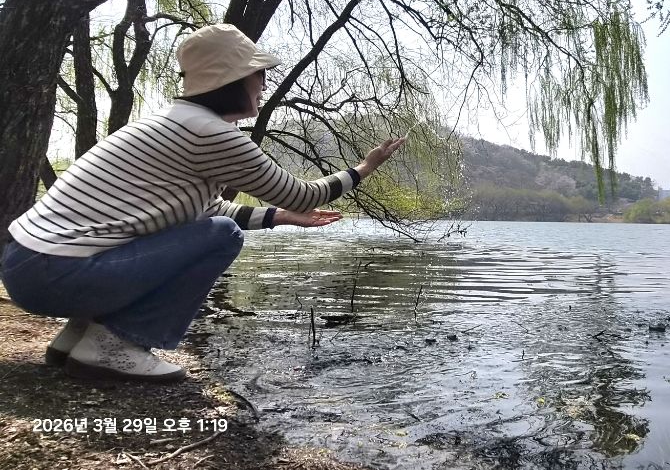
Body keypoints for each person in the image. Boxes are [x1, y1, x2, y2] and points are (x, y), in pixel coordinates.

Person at [0, 24, 404, 382]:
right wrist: (365, 167)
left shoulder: (173, 122)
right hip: (57, 273)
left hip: (28, 266)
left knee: (203, 230)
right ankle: (115, 346)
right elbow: (304, 194)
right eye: (260, 75)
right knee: (223, 236)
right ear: (235, 80)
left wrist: (279, 217)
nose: (264, 85)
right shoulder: (210, 133)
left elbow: (204, 211)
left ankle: (76, 337)